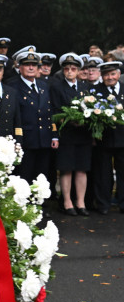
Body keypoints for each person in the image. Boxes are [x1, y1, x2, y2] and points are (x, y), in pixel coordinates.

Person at [50, 53, 92, 216]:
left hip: (83, 135)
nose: (69, 71)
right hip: (66, 134)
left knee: (82, 169)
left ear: (78, 70)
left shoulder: (84, 87)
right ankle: (67, 201)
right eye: (66, 68)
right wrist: (67, 120)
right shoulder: (57, 87)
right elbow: (54, 110)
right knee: (66, 169)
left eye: (73, 69)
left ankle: (80, 202)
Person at [7, 51, 58, 183]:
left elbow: (49, 111)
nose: (31, 68)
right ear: (20, 67)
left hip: (44, 138)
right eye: (27, 64)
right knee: (24, 176)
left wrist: (54, 134)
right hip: (26, 141)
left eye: (34, 65)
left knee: (42, 176)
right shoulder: (12, 86)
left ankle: (40, 202)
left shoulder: (43, 85)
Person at [93, 61, 124, 215]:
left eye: (112, 74)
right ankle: (103, 204)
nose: (110, 77)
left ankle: (122, 203)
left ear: (118, 74)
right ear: (102, 76)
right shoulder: (95, 92)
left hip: (123, 138)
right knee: (102, 173)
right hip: (103, 139)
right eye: (106, 74)